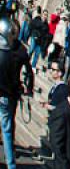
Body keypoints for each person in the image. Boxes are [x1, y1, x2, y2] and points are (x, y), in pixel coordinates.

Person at [0, 17, 32, 169]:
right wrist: (25, 87)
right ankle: (10, 163)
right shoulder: (20, 51)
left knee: (7, 127)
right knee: (7, 128)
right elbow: (27, 73)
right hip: (9, 94)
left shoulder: (10, 51)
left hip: (8, 93)